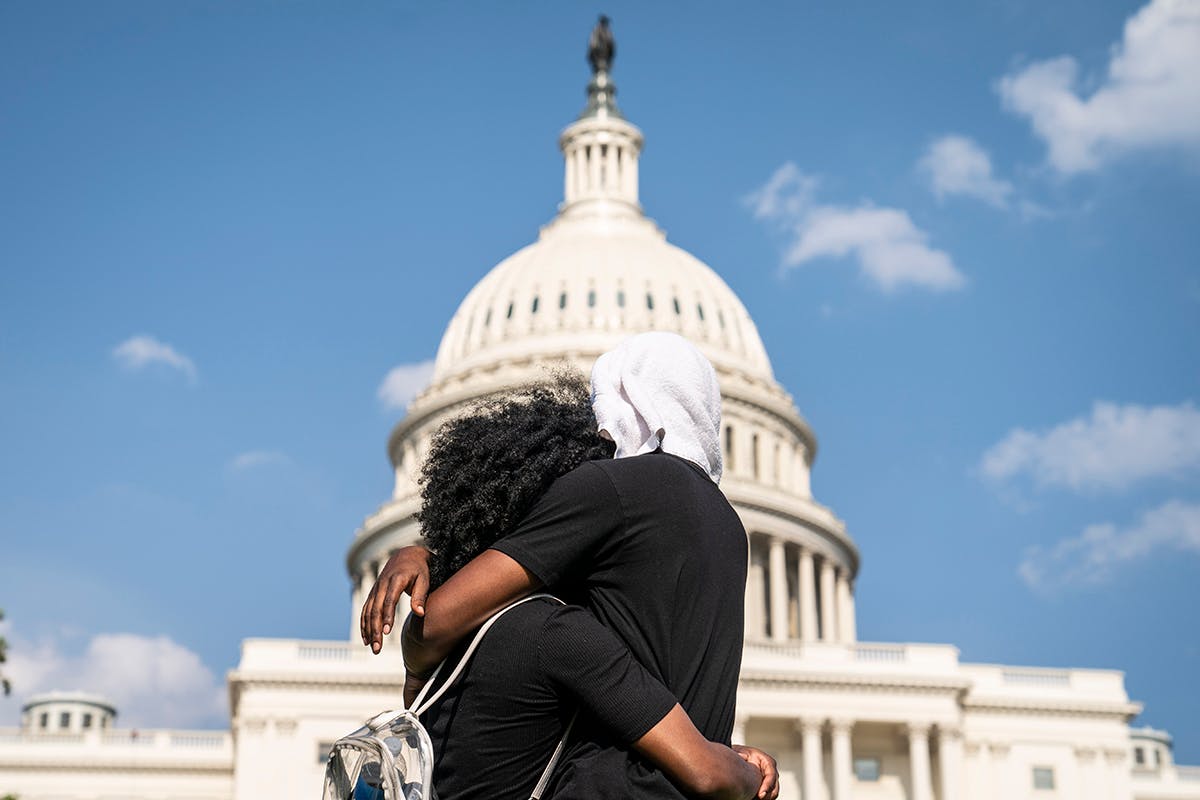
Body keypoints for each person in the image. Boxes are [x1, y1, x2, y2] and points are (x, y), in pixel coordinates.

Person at [362, 332, 762, 798]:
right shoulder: (729, 526)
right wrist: (740, 763)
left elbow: (436, 624)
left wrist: (417, 651)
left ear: (626, 398)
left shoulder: (609, 495)